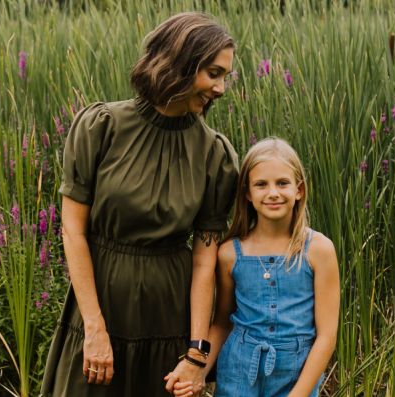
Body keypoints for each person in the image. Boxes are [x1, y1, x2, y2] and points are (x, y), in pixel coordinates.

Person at [40, 12, 239, 397]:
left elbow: (204, 262)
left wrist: (197, 357)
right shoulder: (102, 127)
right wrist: (95, 328)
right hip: (101, 307)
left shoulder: (215, 155)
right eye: (213, 73)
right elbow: (73, 230)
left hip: (169, 317)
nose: (221, 88)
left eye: (225, 76)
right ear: (180, 63)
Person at [167, 138, 340, 397]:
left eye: (283, 183)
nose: (273, 193)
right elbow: (224, 321)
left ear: (299, 190)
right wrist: (198, 370)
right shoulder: (229, 253)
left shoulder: (318, 250)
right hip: (238, 374)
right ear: (247, 193)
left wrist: (299, 394)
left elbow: (326, 336)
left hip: (295, 379)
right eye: (261, 184)